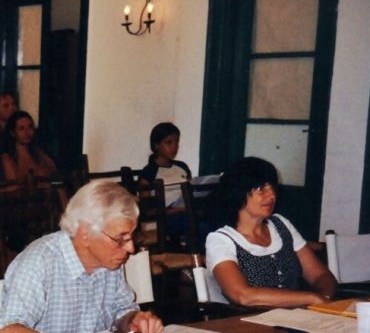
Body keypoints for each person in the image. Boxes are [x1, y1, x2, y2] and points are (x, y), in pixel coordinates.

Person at [0, 179, 163, 333]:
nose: (130, 248)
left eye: (131, 237)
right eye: (120, 239)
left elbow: (120, 311)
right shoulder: (39, 261)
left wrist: (134, 320)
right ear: (85, 233)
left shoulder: (109, 260)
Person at [205, 157, 336, 308]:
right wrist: (311, 298)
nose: (272, 195)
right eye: (261, 188)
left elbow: (321, 275)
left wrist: (323, 299)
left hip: (297, 316)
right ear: (238, 192)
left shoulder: (281, 224)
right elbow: (242, 295)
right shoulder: (221, 240)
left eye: (272, 187)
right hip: (250, 319)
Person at [139, 122, 191, 208]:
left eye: (176, 141)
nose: (174, 147)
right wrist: (174, 210)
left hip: (186, 211)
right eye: (169, 142)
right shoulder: (148, 173)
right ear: (156, 145)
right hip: (165, 214)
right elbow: (147, 209)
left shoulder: (182, 167)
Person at [1, 111, 58, 183]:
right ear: (13, 133)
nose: (27, 132)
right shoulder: (8, 158)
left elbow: (54, 173)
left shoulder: (39, 154)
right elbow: (13, 185)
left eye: (30, 127)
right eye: (21, 128)